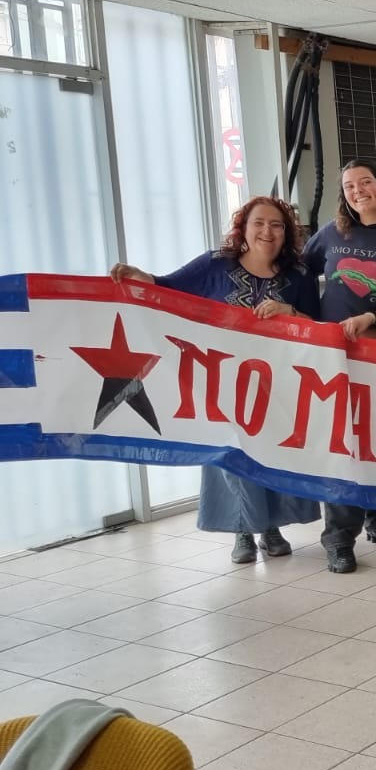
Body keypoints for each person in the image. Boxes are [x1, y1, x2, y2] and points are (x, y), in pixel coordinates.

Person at [109, 197, 322, 565]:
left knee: (273, 450)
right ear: (244, 227)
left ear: (286, 233)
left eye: (276, 225)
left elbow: (317, 327)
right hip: (220, 379)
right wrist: (138, 277)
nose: (267, 232)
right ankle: (242, 529)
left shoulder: (298, 276)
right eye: (259, 223)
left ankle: (271, 526)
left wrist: (289, 311)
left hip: (279, 380)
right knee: (230, 453)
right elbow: (166, 289)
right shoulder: (214, 265)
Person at [303, 159, 376, 573]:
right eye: (349, 186)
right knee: (343, 448)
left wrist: (372, 319)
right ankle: (338, 539)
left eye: (365, 182)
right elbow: (297, 275)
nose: (358, 191)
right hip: (335, 360)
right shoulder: (332, 235)